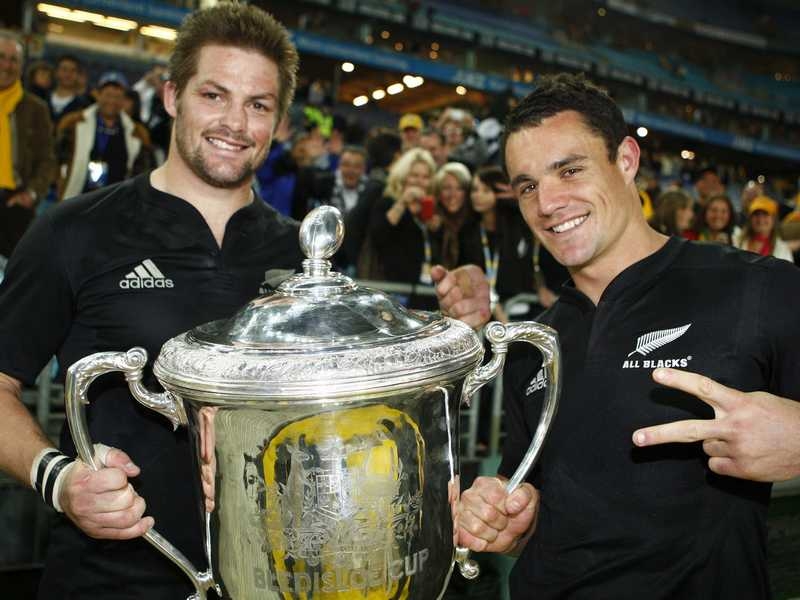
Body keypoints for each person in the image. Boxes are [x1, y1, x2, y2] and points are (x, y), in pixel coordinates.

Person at [452, 73, 800, 599]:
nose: (547, 203)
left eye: (569, 170)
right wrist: (512, 520)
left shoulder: (757, 287)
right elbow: (538, 506)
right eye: (527, 186)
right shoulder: (532, 346)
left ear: (626, 160)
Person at [0, 5, 302, 598]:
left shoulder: (307, 254)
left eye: (259, 105)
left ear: (279, 122)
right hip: (107, 579)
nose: (235, 123)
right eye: (214, 95)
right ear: (171, 97)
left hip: (272, 581)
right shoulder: (74, 231)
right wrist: (57, 479)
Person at [0, 30, 57, 259]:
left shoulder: (36, 108)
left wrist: (32, 194)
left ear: (22, 67)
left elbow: (47, 159)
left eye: (14, 60)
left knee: (12, 281)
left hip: (16, 206)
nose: (6, 65)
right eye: (1, 57)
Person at [56, 71, 153, 200]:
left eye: (117, 96)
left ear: (123, 100)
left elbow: (141, 172)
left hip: (115, 202)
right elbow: (56, 157)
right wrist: (60, 180)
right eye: (108, 95)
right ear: (98, 95)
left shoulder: (137, 133)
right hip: (76, 197)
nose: (112, 101)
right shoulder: (73, 123)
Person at [733, 195, 794, 263]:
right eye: (756, 214)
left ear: (773, 219)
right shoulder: (735, 240)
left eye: (765, 214)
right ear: (750, 219)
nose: (760, 219)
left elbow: (787, 273)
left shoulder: (782, 249)